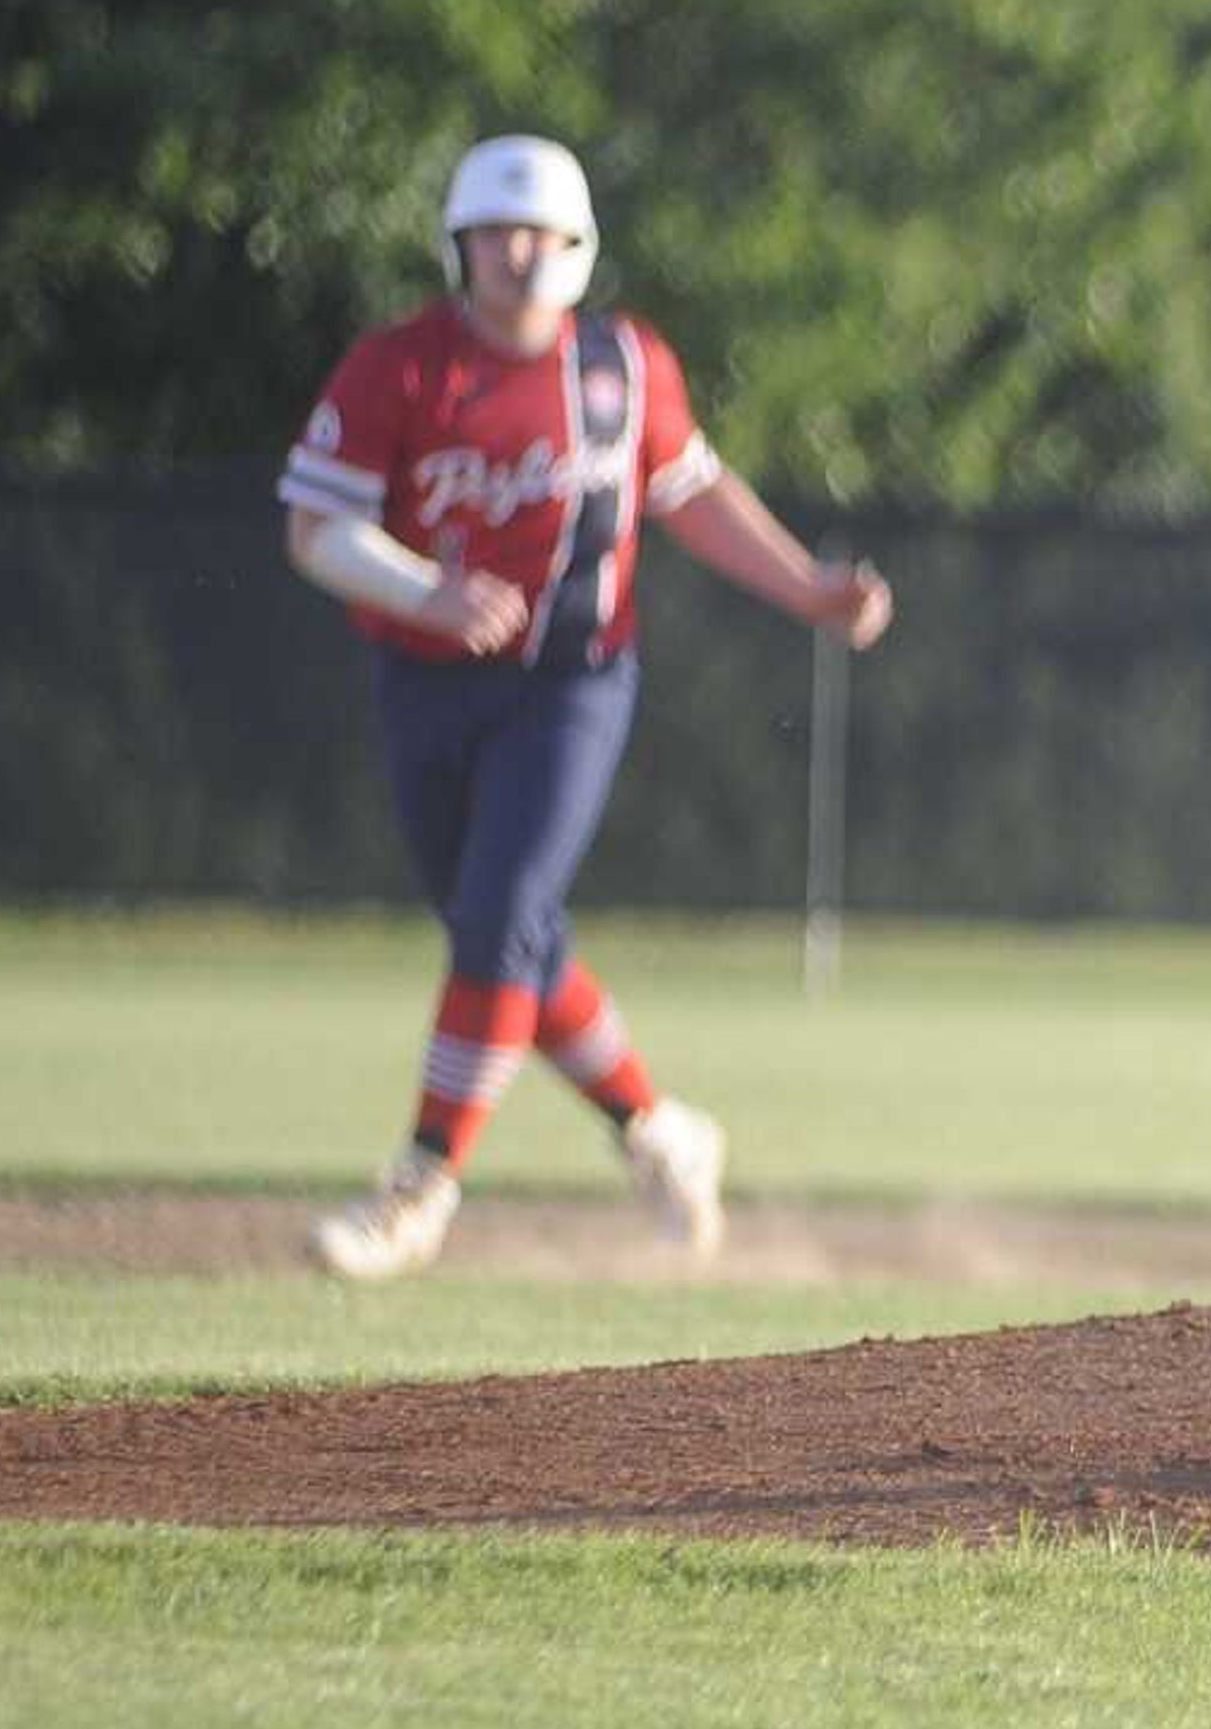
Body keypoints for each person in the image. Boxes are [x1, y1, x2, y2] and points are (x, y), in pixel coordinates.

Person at [276, 134, 895, 1280]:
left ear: (579, 246)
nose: (516, 252)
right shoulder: (400, 367)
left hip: (573, 682)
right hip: (423, 678)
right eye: (493, 231)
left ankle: (419, 1185)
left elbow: (692, 491)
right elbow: (316, 532)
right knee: (505, 935)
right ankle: (660, 1130)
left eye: (540, 232)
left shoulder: (619, 366)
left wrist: (808, 587)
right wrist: (428, 589)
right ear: (457, 245)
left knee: (500, 915)